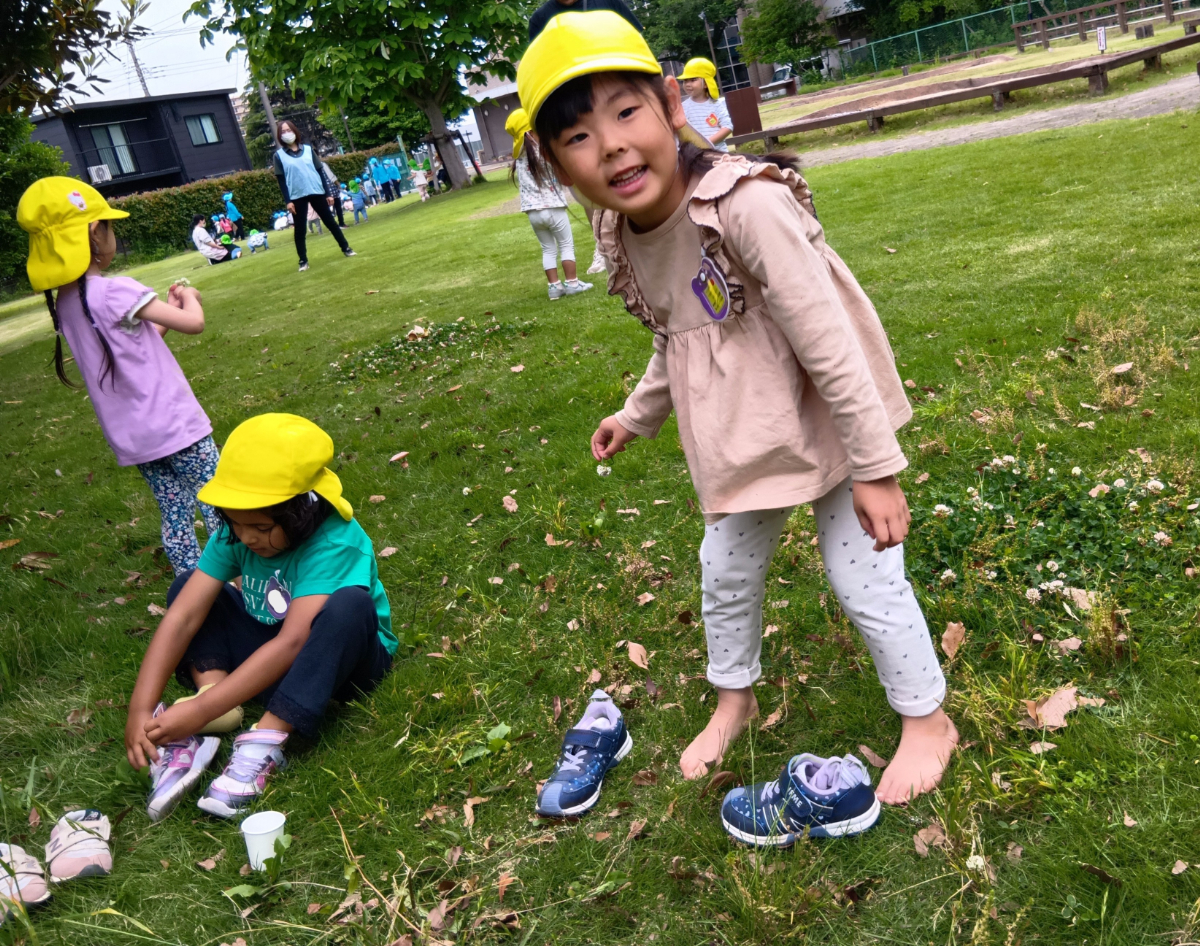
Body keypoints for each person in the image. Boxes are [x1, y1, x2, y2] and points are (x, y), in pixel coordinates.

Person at [518, 12, 958, 808]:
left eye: (626, 111)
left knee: (861, 578)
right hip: (756, 435)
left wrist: (876, 467)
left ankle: (926, 719)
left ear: (669, 106)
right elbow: (680, 335)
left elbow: (828, 341)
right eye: (578, 136)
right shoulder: (623, 229)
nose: (611, 144)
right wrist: (636, 414)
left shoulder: (741, 206)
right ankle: (735, 698)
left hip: (824, 416)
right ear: (554, 165)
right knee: (722, 568)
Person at [123, 413, 396, 821]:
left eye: (262, 527)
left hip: (340, 665)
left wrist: (194, 715)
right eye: (235, 522)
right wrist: (140, 709)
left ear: (303, 509)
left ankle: (265, 739)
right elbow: (182, 617)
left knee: (348, 605)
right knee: (188, 587)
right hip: (272, 655)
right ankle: (214, 700)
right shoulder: (238, 533)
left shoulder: (336, 540)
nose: (247, 537)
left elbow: (294, 641)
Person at [18, 179, 222, 576]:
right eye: (109, 226)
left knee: (174, 511)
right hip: (178, 425)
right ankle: (231, 576)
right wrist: (189, 297)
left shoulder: (68, 303)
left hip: (137, 437)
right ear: (95, 233)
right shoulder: (116, 291)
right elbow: (193, 324)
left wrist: (164, 308)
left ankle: (189, 585)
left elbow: (134, 348)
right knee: (217, 500)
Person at [506, 108, 592, 301]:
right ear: (529, 131)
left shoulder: (519, 157)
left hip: (533, 212)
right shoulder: (545, 151)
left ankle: (554, 287)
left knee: (547, 248)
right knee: (566, 244)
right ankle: (572, 283)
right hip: (553, 207)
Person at [271, 120, 356, 273]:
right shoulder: (279, 156)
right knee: (300, 230)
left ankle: (346, 248)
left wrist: (328, 193)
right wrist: (288, 201)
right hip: (297, 195)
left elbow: (320, 172)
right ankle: (303, 261)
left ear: (294, 131)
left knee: (330, 222)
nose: (286, 133)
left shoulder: (309, 150)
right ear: (279, 135)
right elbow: (281, 180)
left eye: (288, 130)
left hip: (316, 191)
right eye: (282, 131)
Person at [678, 58, 733, 152]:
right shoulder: (683, 107)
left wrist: (706, 144)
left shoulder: (716, 105)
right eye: (685, 80)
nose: (687, 84)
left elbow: (727, 127)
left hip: (719, 155)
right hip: (695, 157)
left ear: (706, 84)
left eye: (693, 80)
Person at [528, 0, 641, 40]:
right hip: (573, 87)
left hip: (617, 76)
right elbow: (538, 59)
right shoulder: (539, 19)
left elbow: (636, 35)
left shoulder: (608, 1)